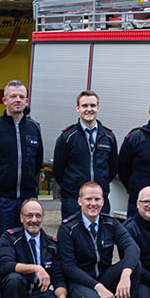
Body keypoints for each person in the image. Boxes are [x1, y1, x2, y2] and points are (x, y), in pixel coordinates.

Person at [56, 181, 141, 298]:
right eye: (88, 199)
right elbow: (68, 267)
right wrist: (98, 287)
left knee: (134, 265)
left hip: (103, 274)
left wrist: (125, 275)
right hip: (79, 280)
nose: (93, 204)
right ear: (79, 201)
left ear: (103, 201)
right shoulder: (68, 228)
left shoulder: (111, 222)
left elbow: (132, 248)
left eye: (97, 199)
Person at [0, 198, 80, 298]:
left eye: (38, 216)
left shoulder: (52, 244)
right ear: (21, 218)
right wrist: (35, 268)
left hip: (38, 294)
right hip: (13, 293)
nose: (34, 220)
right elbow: (5, 265)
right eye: (29, 216)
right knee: (15, 279)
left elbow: (58, 278)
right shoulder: (10, 237)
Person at [0, 80, 43, 252]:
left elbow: (37, 162)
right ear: (4, 100)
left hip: (27, 200)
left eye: (22, 96)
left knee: (25, 246)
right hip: (0, 200)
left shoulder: (34, 128)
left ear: (26, 100)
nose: (18, 100)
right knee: (0, 245)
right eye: (13, 96)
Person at [52, 90, 118, 220]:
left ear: (98, 108)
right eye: (84, 106)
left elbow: (113, 167)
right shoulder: (67, 137)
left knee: (100, 238)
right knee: (73, 238)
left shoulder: (108, 137)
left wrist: (100, 184)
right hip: (73, 201)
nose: (89, 109)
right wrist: (72, 188)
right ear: (78, 108)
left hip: (100, 201)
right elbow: (58, 170)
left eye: (92, 106)